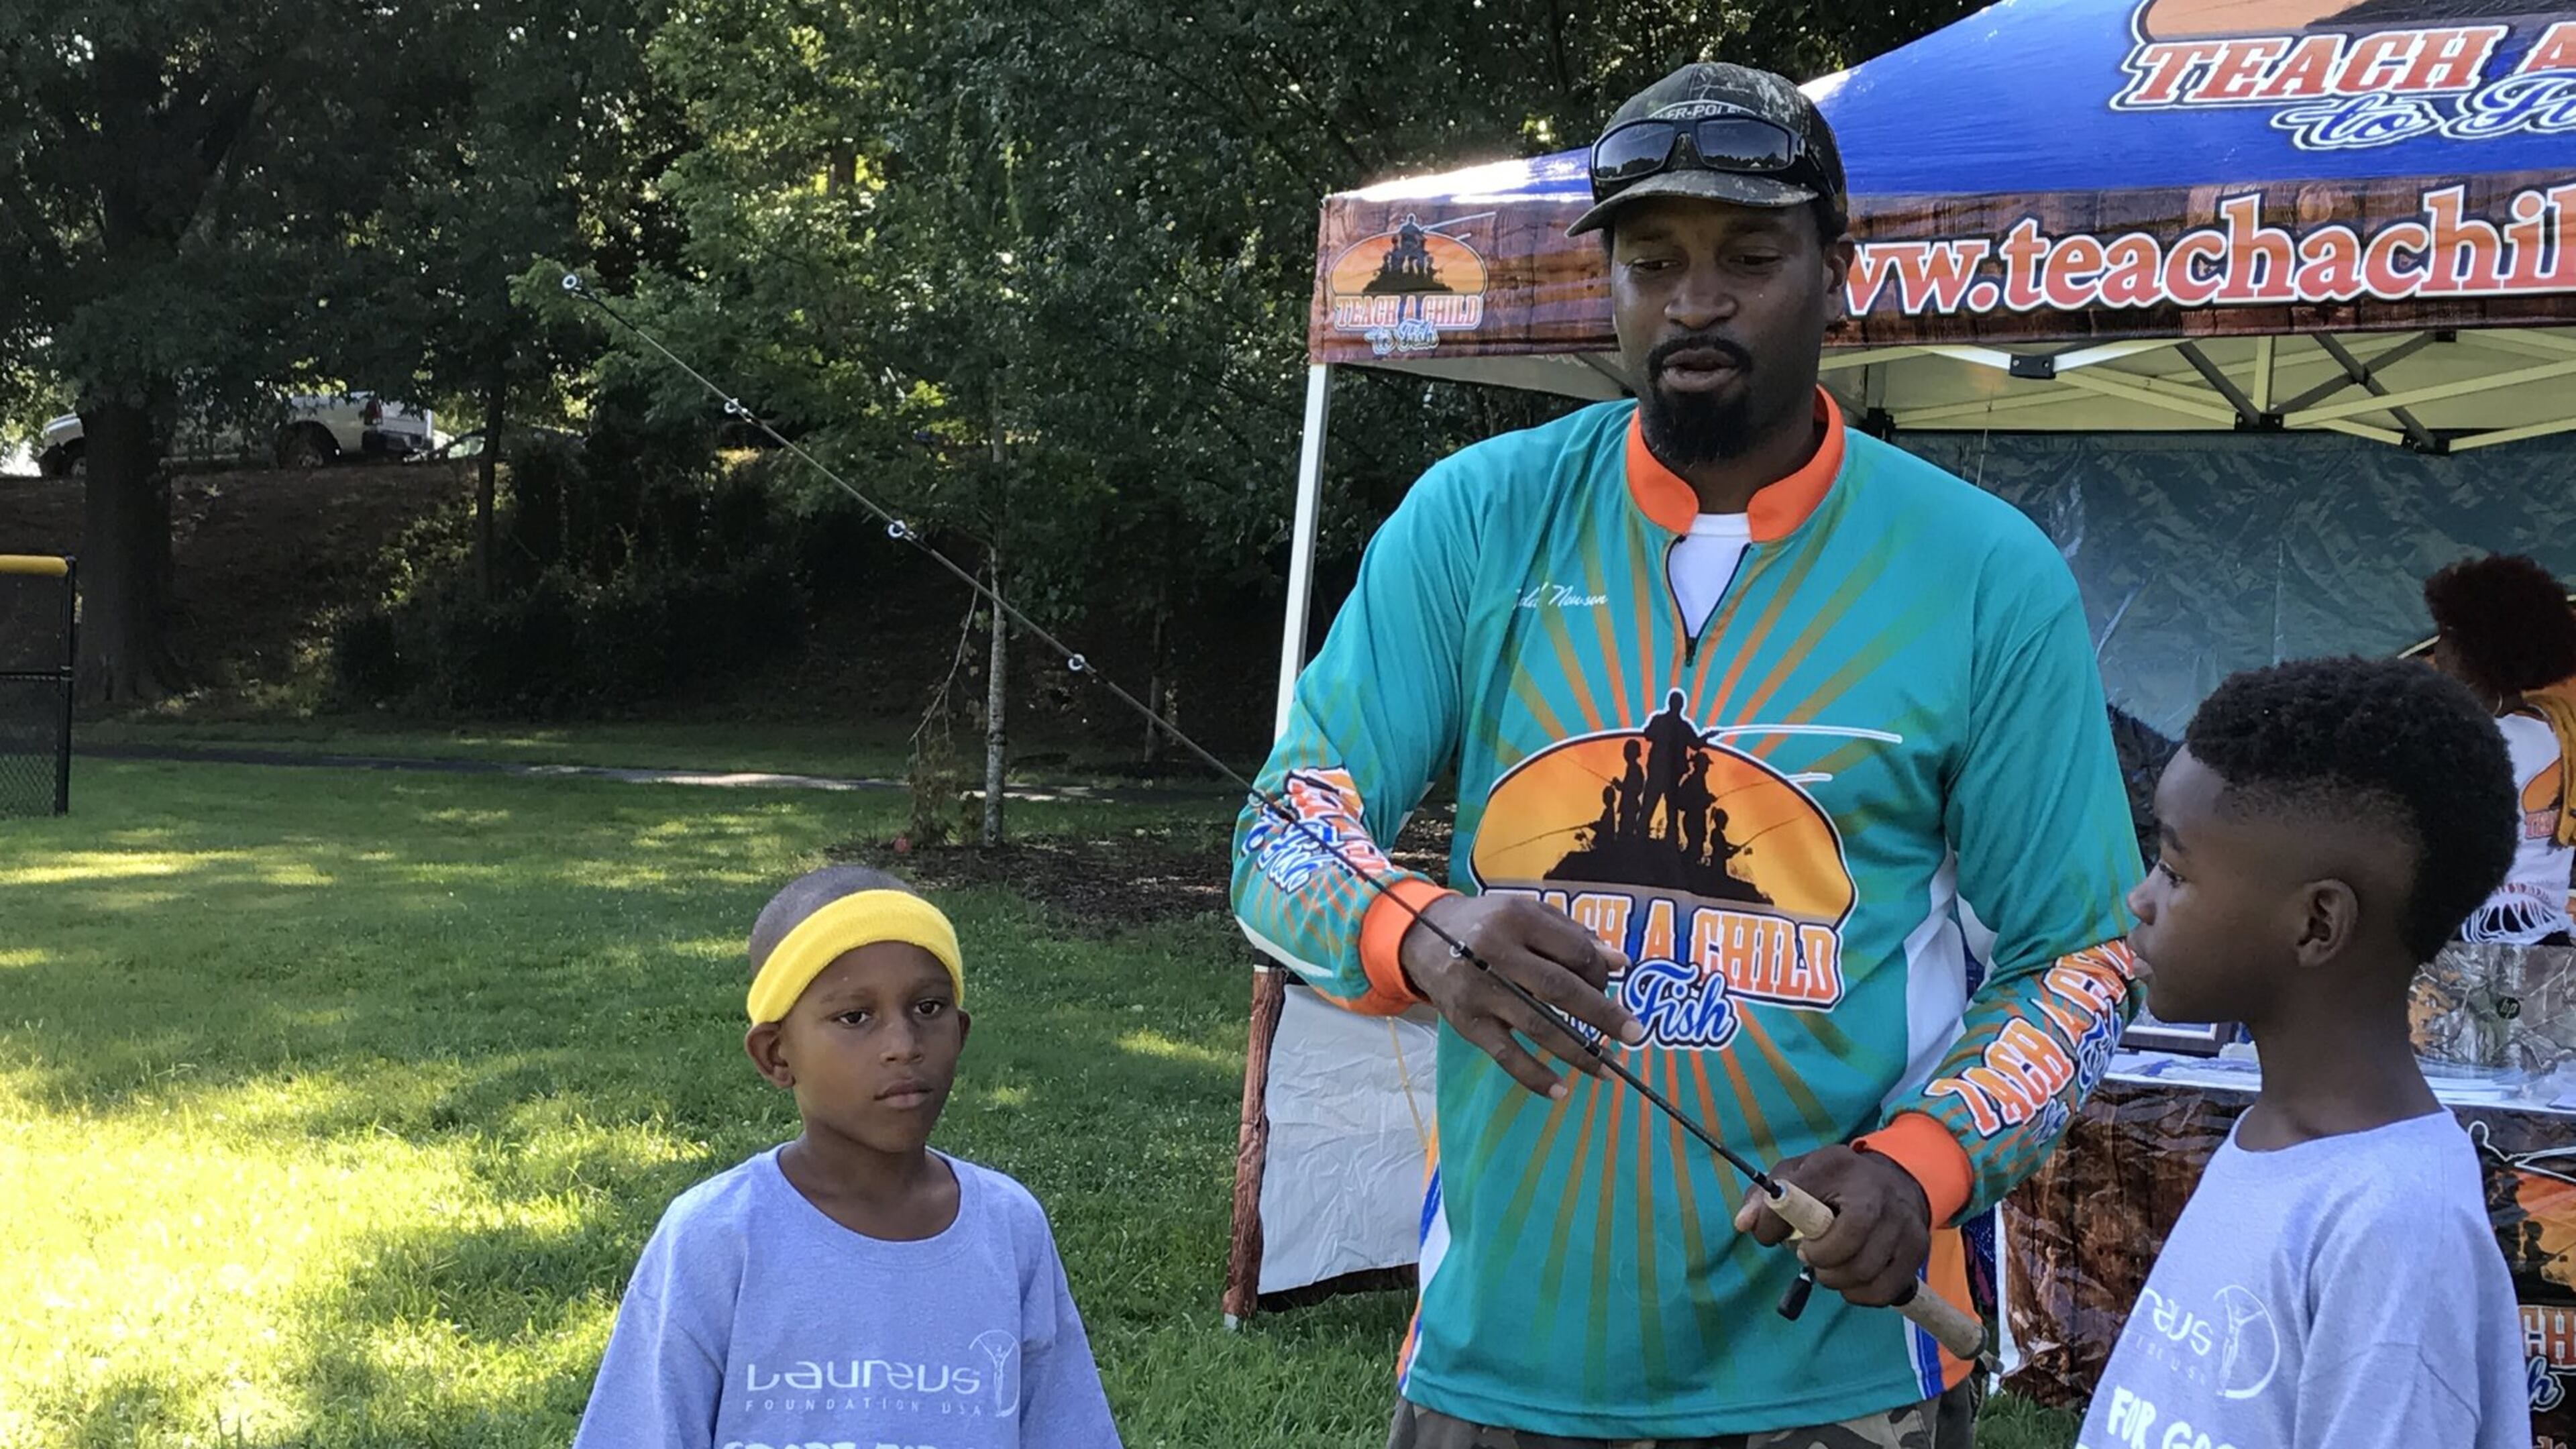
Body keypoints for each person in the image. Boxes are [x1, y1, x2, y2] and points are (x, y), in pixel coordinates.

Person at [1234, 60, 2144, 1448]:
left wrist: (1926, 1163)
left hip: (1837, 1383)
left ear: (1838, 270)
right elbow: (1278, 829)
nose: (1695, 300)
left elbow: (2083, 953)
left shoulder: (1985, 575)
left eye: (1750, 257)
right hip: (1497, 1364)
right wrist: (1418, 931)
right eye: (1652, 261)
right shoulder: (1478, 519)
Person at [2081, 656, 2530, 1449]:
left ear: (2316, 925)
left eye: (2175, 871)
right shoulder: (2278, 1139)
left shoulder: (2396, 1231)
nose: (2141, 898)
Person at [572, 865, 1120, 1449]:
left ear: (961, 1032)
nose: (903, 1046)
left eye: (928, 1008)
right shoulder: (717, 1236)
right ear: (776, 1055)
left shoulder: (1009, 1228)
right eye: (855, 1017)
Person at [2424, 552, 2576, 945]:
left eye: (2448, 634)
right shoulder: (2556, 731)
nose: (2438, 652)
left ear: (2480, 648)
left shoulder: (2491, 742)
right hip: (2546, 939)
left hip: (2481, 943)